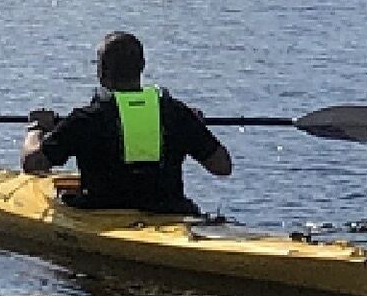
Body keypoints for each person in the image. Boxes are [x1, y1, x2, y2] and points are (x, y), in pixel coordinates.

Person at [23, 31, 234, 214]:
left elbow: (33, 165)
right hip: (169, 211)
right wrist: (195, 127)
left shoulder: (86, 119)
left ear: (101, 72)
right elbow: (222, 167)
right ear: (142, 66)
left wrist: (37, 129)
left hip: (102, 213)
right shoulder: (176, 113)